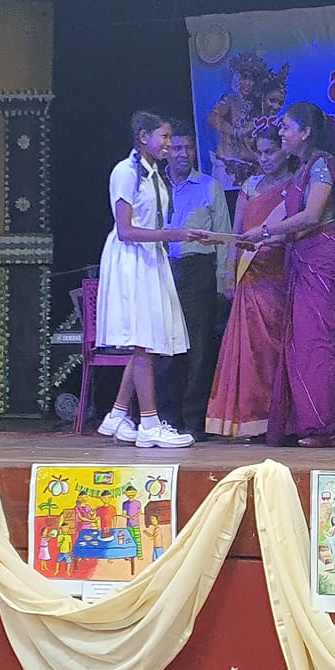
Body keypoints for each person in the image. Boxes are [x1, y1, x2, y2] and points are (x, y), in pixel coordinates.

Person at [243, 101, 335, 447]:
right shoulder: (304, 169)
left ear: (305, 133)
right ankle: (307, 423)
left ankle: (325, 427)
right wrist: (261, 234)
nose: (280, 132)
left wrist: (267, 233)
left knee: (317, 345)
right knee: (300, 345)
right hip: (303, 263)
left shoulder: (322, 166)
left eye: (286, 127)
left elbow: (312, 216)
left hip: (320, 266)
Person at [93, 111, 214, 449]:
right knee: (143, 342)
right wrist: (176, 233)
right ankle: (149, 422)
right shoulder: (126, 172)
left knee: (148, 340)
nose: (167, 144)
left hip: (152, 258)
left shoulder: (155, 177)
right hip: (131, 260)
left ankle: (118, 413)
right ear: (143, 137)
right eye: (163, 138)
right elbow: (126, 229)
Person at [205, 130, 295, 440]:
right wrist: (229, 274)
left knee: (275, 349)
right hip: (250, 277)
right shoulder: (250, 187)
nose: (265, 159)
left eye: (271, 152)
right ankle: (249, 419)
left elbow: (298, 229)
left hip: (280, 277)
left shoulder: (296, 185)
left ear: (285, 151)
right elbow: (236, 233)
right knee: (250, 350)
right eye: (260, 153)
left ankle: (278, 418)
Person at [157, 122, 234, 436]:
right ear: (166, 153)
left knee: (199, 348)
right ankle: (165, 418)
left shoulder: (208, 186)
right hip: (162, 270)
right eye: (176, 148)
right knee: (163, 348)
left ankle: (193, 420)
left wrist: (222, 280)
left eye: (188, 148)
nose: (183, 154)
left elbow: (225, 236)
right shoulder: (155, 187)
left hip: (197, 269)